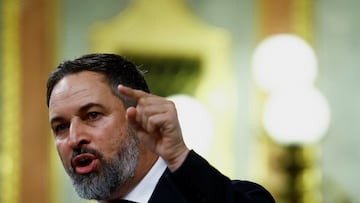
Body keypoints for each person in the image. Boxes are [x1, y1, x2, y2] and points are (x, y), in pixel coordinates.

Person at [46, 53, 275, 203]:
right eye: (61, 127)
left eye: (93, 115)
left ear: (139, 117)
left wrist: (179, 157)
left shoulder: (233, 198)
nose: (74, 138)